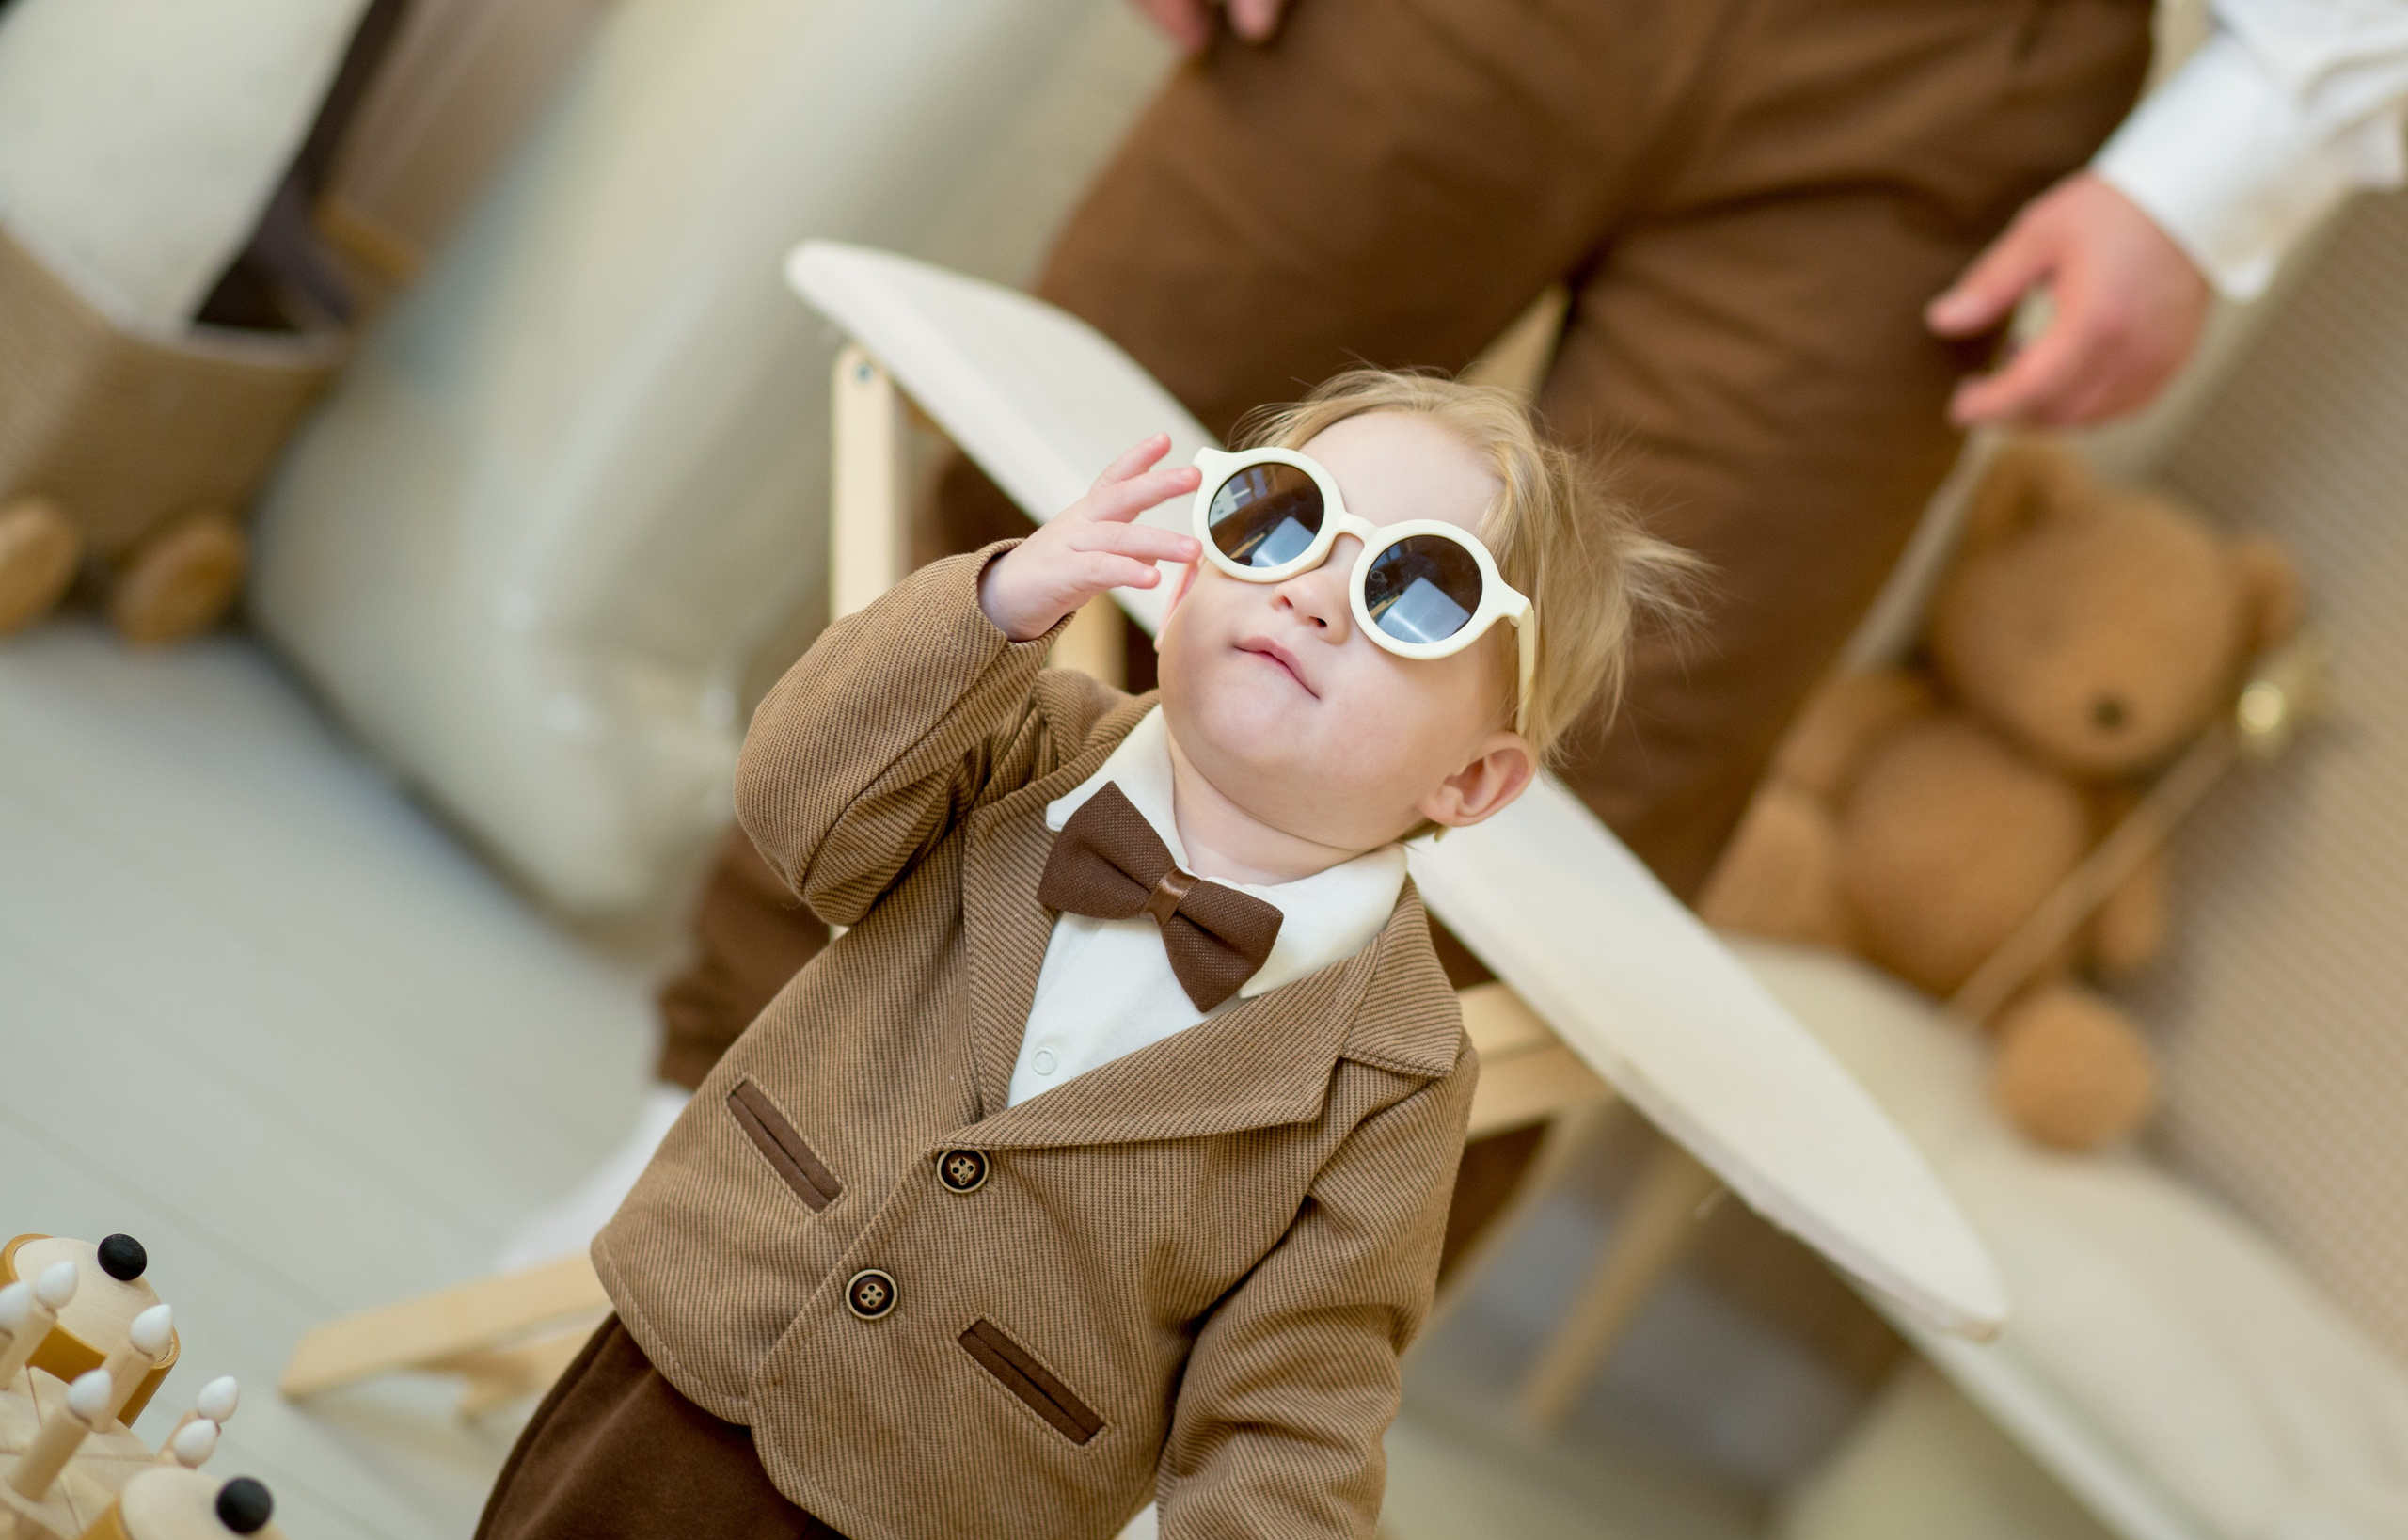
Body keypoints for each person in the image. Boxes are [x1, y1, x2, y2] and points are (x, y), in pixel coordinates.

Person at [508, 0, 2408, 1287]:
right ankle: (717, 1145)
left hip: (1944, 76)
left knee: (1587, 785)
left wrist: (2224, 158)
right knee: (1088, 488)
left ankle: (1193, 1389)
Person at [460, 374, 1692, 1540]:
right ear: (1189, 574)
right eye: (1284, 520)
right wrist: (990, 610)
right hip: (699, 1357)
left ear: (1472, 783)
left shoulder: (1395, 1076)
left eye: (1415, 595)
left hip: (939, 1538)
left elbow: (1291, 1416)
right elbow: (800, 806)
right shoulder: (1013, 740)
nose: (1315, 594)